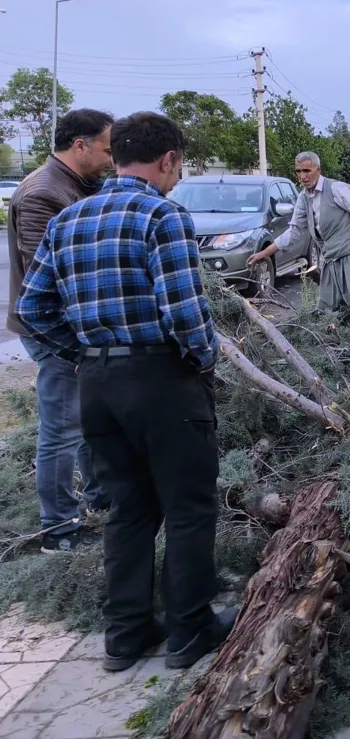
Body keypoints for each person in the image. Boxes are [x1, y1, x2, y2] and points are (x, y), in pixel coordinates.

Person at [16, 111, 235, 673]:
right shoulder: (164, 216)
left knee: (128, 511)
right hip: (162, 379)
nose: (177, 176)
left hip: (98, 384)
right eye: (179, 166)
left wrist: (84, 354)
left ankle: (127, 634)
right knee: (188, 506)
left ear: (117, 156)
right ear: (167, 160)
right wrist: (203, 363)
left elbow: (32, 308)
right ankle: (189, 631)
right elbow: (184, 312)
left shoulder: (69, 221)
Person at [6, 109, 114, 553]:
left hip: (75, 330)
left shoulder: (75, 184)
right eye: (107, 149)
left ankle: (100, 499)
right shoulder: (43, 193)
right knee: (63, 428)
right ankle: (60, 529)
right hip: (54, 332)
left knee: (88, 420)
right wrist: (78, 337)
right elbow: (42, 280)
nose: (112, 159)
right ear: (80, 146)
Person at [247, 151, 350, 322]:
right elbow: (294, 232)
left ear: (318, 170)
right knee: (329, 313)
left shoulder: (336, 189)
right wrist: (263, 254)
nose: (303, 176)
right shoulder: (303, 197)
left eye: (307, 171)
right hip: (330, 261)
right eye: (298, 171)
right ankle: (338, 347)